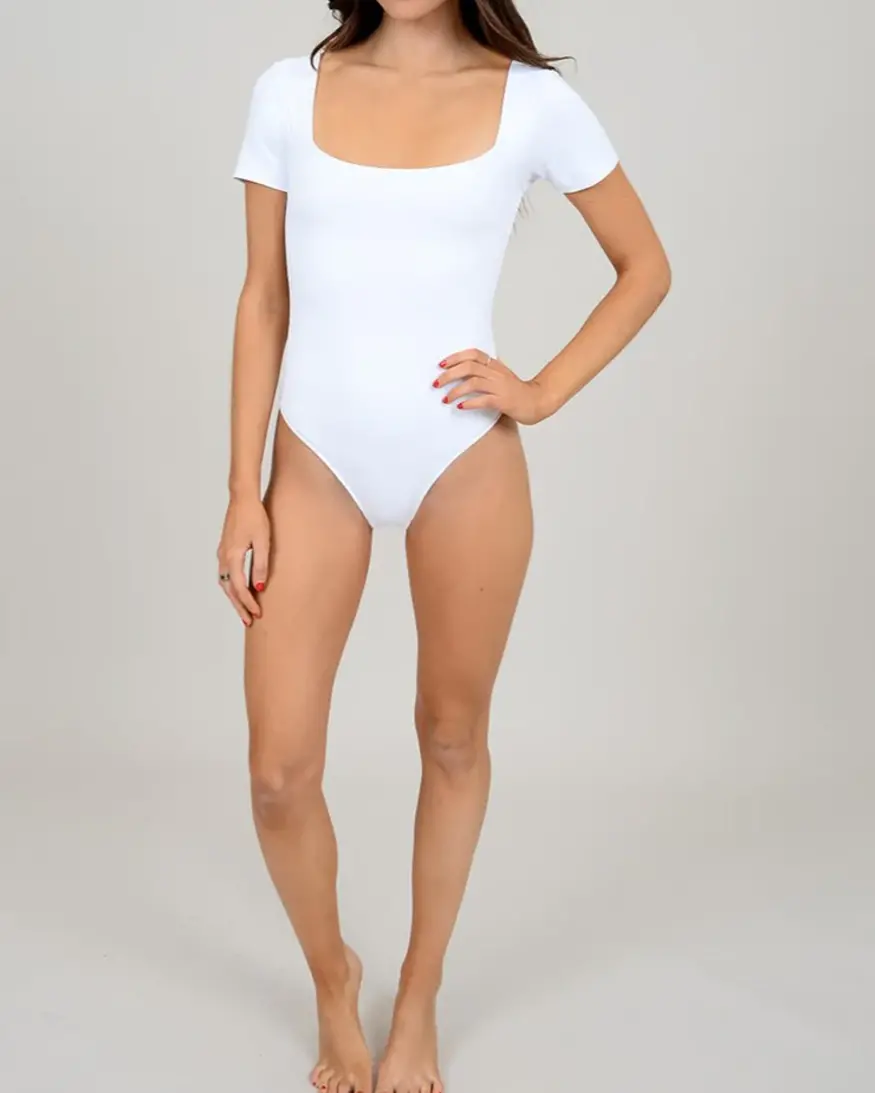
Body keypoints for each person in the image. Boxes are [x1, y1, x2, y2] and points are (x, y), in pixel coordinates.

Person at [218, 2, 670, 1091]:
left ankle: (419, 993)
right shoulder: (288, 92)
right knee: (278, 771)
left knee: (453, 734)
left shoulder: (532, 103)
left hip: (461, 458)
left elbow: (644, 266)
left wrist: (539, 390)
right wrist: (241, 489)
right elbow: (264, 298)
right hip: (313, 459)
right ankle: (334, 977)